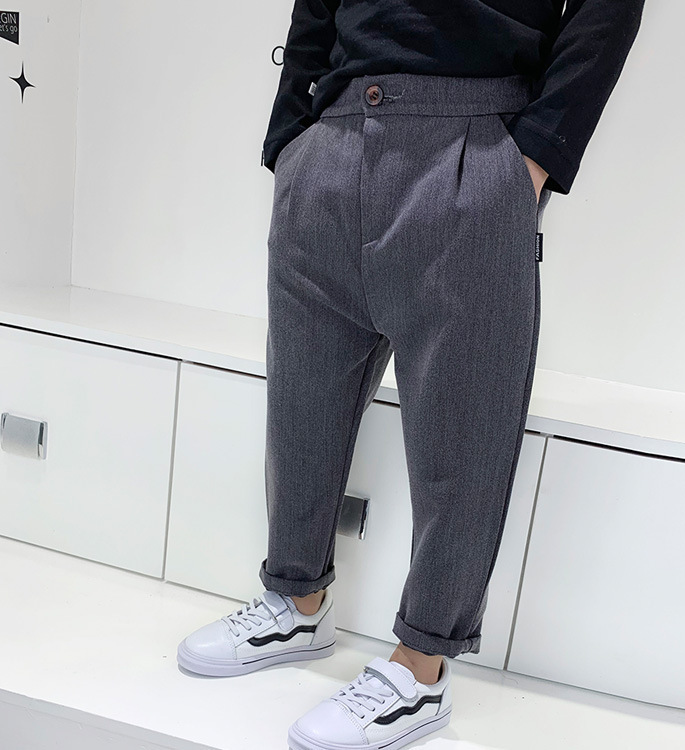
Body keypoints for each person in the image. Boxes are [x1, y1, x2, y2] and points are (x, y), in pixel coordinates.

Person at [177, 2, 645, 748]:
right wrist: (289, 139)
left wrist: (531, 161)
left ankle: (422, 668)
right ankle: (296, 605)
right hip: (330, 142)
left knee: (463, 436)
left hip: (472, 143)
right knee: (300, 405)